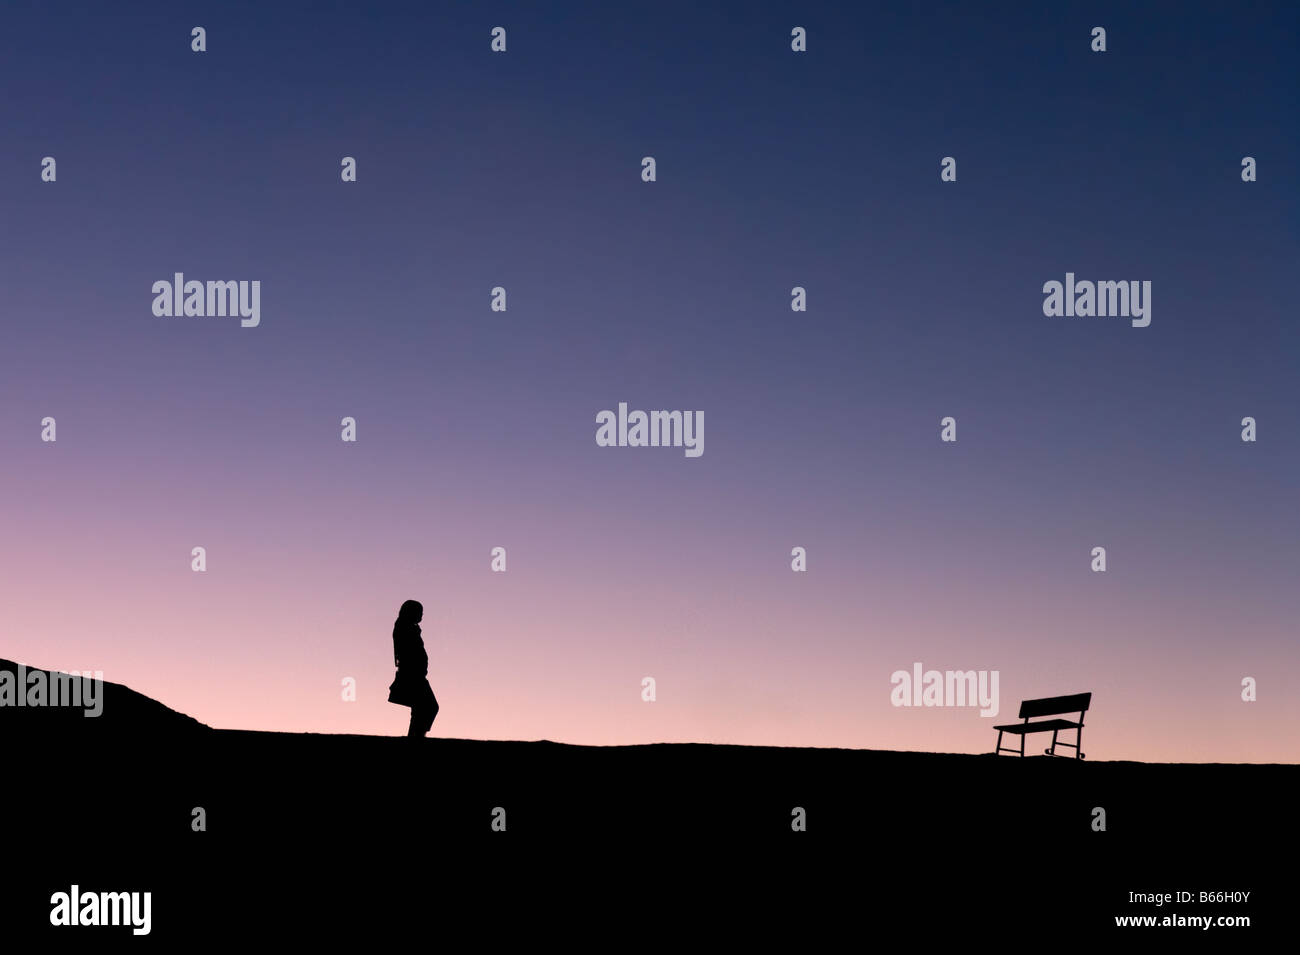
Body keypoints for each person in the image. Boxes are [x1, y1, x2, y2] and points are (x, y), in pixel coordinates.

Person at [387, 599, 438, 737]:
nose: (421, 615)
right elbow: (408, 652)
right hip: (412, 675)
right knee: (428, 706)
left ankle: (416, 736)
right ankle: (416, 737)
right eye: (419, 612)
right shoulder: (404, 627)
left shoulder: (409, 627)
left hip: (416, 675)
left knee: (422, 707)